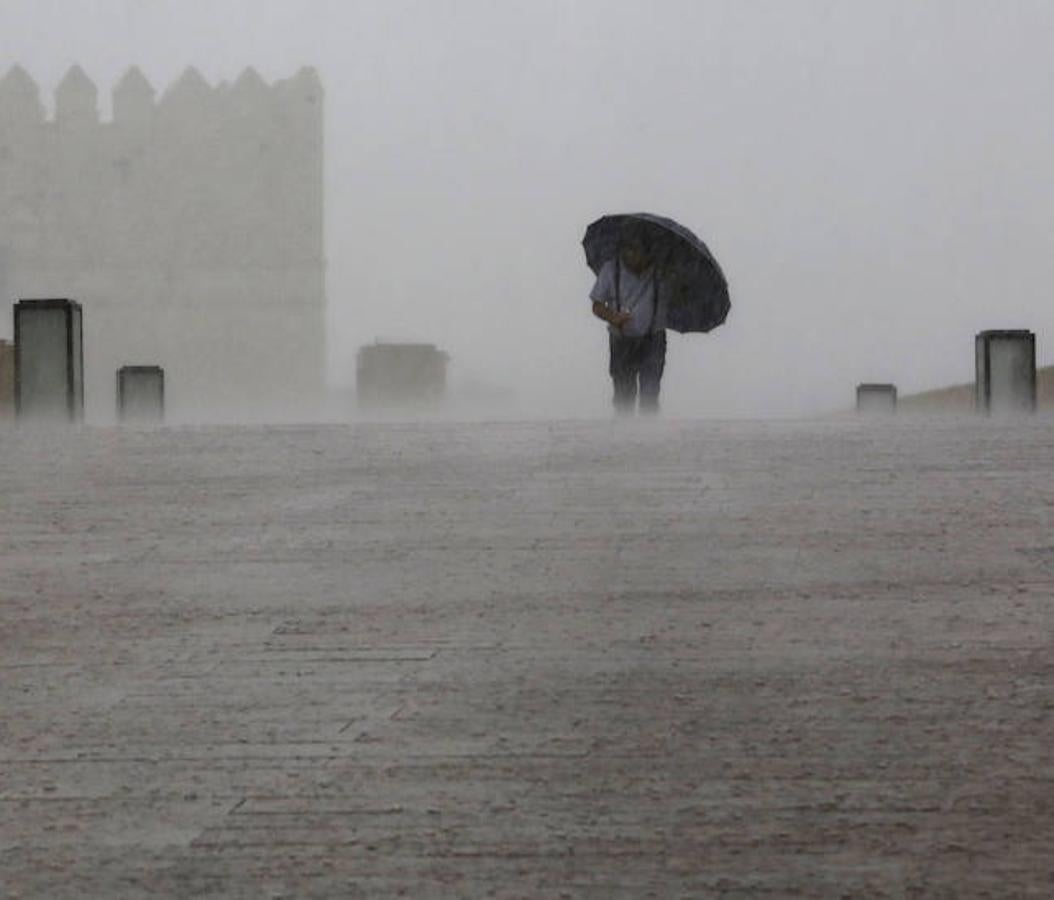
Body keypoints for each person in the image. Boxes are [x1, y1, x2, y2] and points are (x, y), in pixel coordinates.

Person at [589, 235, 667, 414]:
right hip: (621, 339)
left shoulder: (661, 271)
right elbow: (597, 305)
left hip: (653, 339)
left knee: (650, 393)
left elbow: (679, 296)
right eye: (628, 250)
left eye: (638, 250)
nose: (632, 255)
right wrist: (613, 317)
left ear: (648, 252)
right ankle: (625, 435)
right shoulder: (611, 270)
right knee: (623, 395)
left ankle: (649, 435)